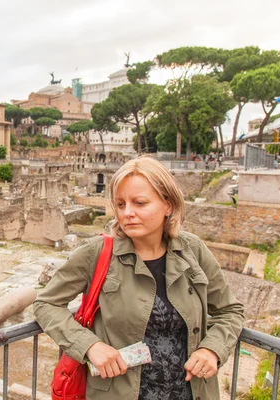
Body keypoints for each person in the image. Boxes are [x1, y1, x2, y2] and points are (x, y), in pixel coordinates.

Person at [34, 156, 245, 400]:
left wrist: (212, 349)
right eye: (121, 204)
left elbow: (231, 311)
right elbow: (45, 304)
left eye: (140, 203)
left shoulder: (193, 250)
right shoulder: (96, 253)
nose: (127, 213)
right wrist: (90, 345)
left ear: (168, 205)